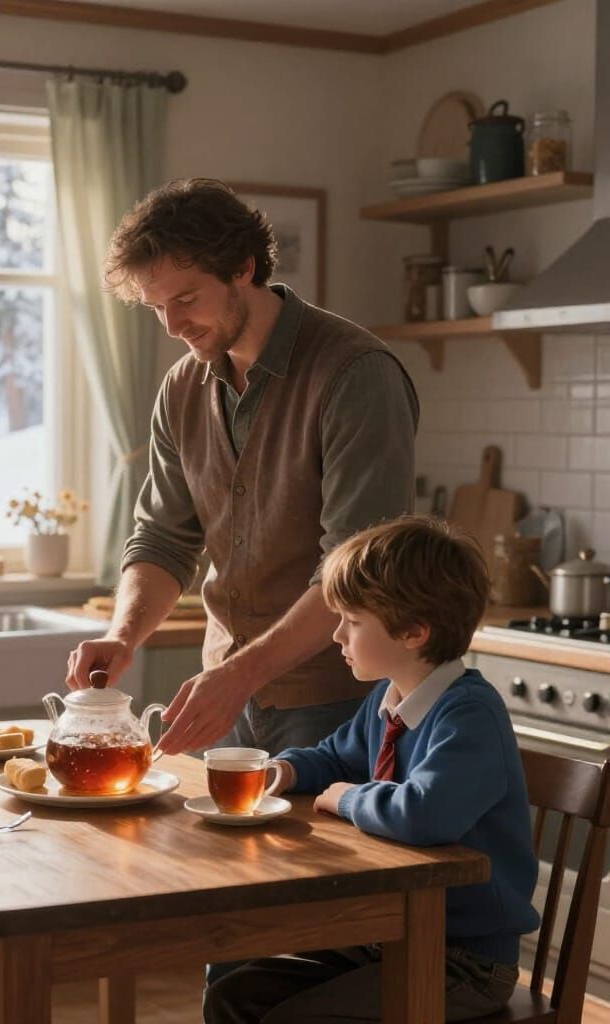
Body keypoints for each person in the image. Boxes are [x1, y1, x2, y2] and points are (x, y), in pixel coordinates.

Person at [67, 178, 420, 757]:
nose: (172, 327)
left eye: (185, 299)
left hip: (337, 704)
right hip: (228, 697)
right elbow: (162, 539)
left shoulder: (355, 375)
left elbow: (354, 569)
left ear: (242, 268)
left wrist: (240, 676)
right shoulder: (182, 388)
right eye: (156, 307)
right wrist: (122, 637)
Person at [203, 516, 540, 1024]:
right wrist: (288, 771)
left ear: (413, 632)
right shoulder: (388, 699)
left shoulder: (468, 715)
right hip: (388, 936)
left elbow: (424, 814)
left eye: (352, 622)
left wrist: (342, 797)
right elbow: (338, 757)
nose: (337, 634)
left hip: (463, 961)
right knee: (232, 990)